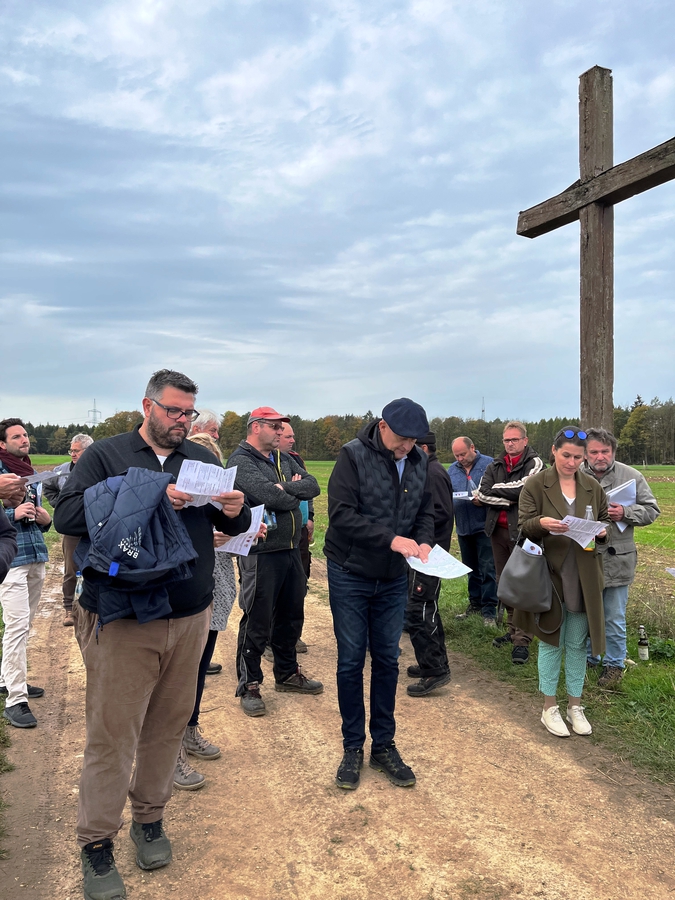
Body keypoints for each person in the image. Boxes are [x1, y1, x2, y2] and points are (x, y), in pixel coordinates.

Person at [54, 370, 251, 900]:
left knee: (165, 727)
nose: (181, 421)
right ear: (148, 406)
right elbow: (67, 515)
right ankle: (97, 843)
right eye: (172, 411)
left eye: (189, 412)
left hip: (188, 615)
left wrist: (235, 513)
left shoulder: (204, 461)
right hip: (123, 616)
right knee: (112, 734)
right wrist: (150, 492)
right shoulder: (108, 456)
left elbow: (232, 526)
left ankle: (149, 818)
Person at [325, 399, 434, 790]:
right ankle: (353, 746)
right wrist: (392, 540)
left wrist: (422, 542)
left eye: (414, 441)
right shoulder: (352, 456)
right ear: (383, 426)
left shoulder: (419, 462)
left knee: (387, 659)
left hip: (392, 579)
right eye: (403, 439)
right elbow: (340, 514)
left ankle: (384, 745)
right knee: (351, 660)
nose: (408, 447)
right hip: (350, 572)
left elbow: (426, 512)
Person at [174, 431, 265, 791]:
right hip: (183, 586)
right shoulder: (173, 496)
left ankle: (190, 730)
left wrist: (242, 531)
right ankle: (170, 750)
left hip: (217, 584)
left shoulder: (220, 499)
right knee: (176, 675)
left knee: (197, 669)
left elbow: (229, 525)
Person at [227, 407, 322, 717]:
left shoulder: (283, 458)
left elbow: (312, 487)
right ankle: (250, 683)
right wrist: (285, 492)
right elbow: (275, 498)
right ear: (256, 427)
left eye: (283, 427)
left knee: (291, 614)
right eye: (275, 426)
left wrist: (285, 488)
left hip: (292, 548)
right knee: (257, 617)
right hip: (261, 552)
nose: (281, 432)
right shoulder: (241, 462)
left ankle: (287, 673)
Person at [516, 427, 610, 738]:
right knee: (551, 642)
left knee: (576, 643)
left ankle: (575, 706)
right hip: (549, 576)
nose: (571, 462)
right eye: (566, 455)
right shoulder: (535, 485)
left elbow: (605, 518)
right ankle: (549, 707)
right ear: (553, 451)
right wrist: (540, 524)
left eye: (578, 457)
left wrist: (602, 531)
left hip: (583, 575)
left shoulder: (592, 486)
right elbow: (524, 526)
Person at [582, 427, 660, 686]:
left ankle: (614, 664)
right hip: (586, 556)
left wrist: (625, 513)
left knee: (614, 615)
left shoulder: (632, 475)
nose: (599, 456)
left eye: (605, 451)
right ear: (586, 454)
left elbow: (652, 511)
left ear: (613, 451)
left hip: (618, 557)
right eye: (594, 452)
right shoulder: (576, 475)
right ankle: (590, 657)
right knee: (587, 610)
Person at [475, 421, 543, 665]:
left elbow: (525, 488)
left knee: (522, 585)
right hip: (498, 531)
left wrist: (498, 494)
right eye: (506, 440)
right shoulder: (495, 464)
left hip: (523, 533)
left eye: (514, 439)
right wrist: (509, 501)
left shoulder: (534, 463)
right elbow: (481, 494)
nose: (510, 444)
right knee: (505, 584)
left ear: (525, 440)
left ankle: (523, 640)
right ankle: (513, 631)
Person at [0, 418, 51, 728]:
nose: (24, 439)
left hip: (35, 554)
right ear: (2, 444)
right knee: (17, 627)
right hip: (12, 561)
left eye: (25, 434)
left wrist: (45, 518)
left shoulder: (31, 474)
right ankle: (16, 699)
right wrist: (11, 512)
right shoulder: (2, 476)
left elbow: (40, 520)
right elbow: (10, 516)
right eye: (16, 436)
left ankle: (9, 678)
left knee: (26, 625)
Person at [405, 430, 454, 696]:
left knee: (421, 609)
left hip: (428, 555)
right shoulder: (427, 470)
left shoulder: (432, 474)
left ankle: (435, 669)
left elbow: (441, 513)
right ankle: (429, 662)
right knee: (420, 607)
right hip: (420, 554)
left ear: (423, 447)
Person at [44, 433, 94, 626]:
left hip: (94, 529)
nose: (72, 454)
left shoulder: (98, 469)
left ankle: (91, 608)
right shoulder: (62, 471)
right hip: (72, 530)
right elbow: (47, 486)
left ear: (87, 451)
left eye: (76, 450)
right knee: (72, 570)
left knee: (96, 567)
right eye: (71, 450)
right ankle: (69, 610)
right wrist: (59, 504)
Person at [448, 437, 498, 625]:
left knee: (488, 569)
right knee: (470, 569)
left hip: (484, 526)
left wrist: (484, 499)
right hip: (462, 526)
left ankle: (489, 611)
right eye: (457, 455)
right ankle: (474, 604)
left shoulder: (490, 465)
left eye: (463, 454)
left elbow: (499, 492)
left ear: (472, 447)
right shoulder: (452, 470)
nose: (460, 458)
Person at [277, 421, 312, 653]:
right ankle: (275, 637)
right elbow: (273, 492)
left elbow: (309, 491)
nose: (292, 440)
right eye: (288, 437)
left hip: (300, 530)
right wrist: (291, 487)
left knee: (300, 584)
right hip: (280, 532)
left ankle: (293, 634)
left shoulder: (296, 460)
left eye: (293, 436)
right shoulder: (268, 463)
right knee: (280, 587)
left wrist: (311, 518)